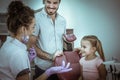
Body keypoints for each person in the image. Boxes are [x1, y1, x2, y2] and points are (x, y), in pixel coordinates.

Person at [0, 1, 72, 80]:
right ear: (24, 29)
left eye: (55, 3)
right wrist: (49, 72)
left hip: (58, 65)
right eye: (33, 27)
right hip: (43, 68)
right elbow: (28, 47)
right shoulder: (19, 54)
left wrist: (28, 59)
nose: (34, 31)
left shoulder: (7, 44)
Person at [28, 0, 67, 80]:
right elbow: (31, 45)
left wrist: (68, 43)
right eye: (48, 2)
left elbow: (62, 41)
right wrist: (51, 57)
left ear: (59, 2)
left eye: (55, 3)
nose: (51, 6)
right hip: (43, 69)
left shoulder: (63, 20)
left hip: (60, 67)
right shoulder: (36, 18)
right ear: (43, 1)